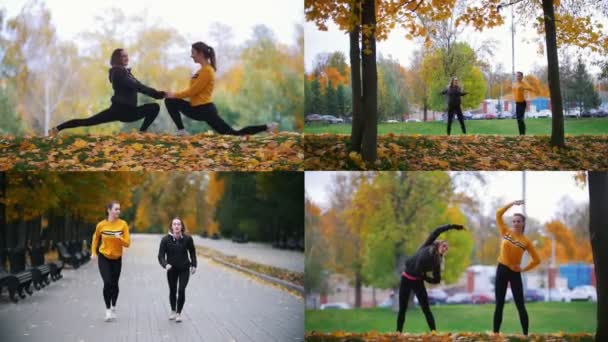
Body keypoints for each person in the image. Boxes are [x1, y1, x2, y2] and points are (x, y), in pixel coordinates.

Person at [164, 41, 277, 135]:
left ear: (200, 53)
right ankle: (181, 130)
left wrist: (175, 94)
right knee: (169, 101)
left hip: (205, 110)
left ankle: (266, 127)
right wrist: (172, 96)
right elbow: (193, 90)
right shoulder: (201, 71)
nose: (191, 55)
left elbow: (193, 91)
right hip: (196, 108)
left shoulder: (207, 71)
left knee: (233, 134)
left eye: (193, 52)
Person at [49, 49, 165, 135]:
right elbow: (138, 86)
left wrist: (158, 94)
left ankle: (142, 132)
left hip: (129, 111)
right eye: (124, 56)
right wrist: (158, 94)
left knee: (154, 107)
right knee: (88, 121)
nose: (127, 58)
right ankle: (57, 129)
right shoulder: (118, 72)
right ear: (117, 58)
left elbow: (138, 85)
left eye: (127, 56)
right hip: (119, 109)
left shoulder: (125, 72)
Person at [396, 224, 465, 333]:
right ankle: (398, 333)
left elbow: (437, 280)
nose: (446, 248)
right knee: (402, 309)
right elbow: (437, 230)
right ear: (438, 244)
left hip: (418, 281)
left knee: (426, 309)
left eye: (447, 248)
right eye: (444, 245)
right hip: (406, 278)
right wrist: (453, 226)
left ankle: (434, 334)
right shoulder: (427, 245)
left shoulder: (437, 262)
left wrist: (424, 277)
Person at [493, 200, 541, 336]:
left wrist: (523, 269)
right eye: (513, 221)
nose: (515, 223)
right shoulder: (505, 231)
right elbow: (498, 214)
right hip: (501, 269)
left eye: (518, 221)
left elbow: (537, 260)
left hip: (515, 273)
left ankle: (525, 335)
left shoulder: (526, 241)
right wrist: (512, 203)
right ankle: (495, 335)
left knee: (520, 305)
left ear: (523, 223)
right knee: (499, 304)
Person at [91, 200, 131, 322]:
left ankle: (114, 306)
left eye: (119, 209)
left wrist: (120, 239)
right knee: (107, 283)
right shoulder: (101, 225)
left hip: (117, 258)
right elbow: (95, 238)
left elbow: (127, 243)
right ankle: (108, 310)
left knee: (114, 284)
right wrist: (93, 252)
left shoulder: (123, 224)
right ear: (109, 210)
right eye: (116, 209)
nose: (118, 211)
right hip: (104, 257)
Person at [158, 217, 197, 323]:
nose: (176, 226)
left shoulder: (187, 239)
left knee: (181, 290)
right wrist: (165, 265)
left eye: (179, 224)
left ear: (182, 227)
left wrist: (194, 265)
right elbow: (160, 256)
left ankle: (179, 313)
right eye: (174, 224)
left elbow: (192, 252)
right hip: (171, 269)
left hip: (184, 268)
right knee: (173, 290)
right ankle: (173, 310)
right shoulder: (165, 240)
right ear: (171, 226)